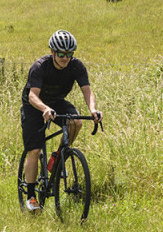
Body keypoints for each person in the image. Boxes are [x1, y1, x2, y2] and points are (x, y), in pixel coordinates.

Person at [21, 30, 102, 212]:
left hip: (57, 102)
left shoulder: (76, 66)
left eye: (69, 54)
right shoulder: (40, 66)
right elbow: (33, 95)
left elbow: (87, 91)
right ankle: (31, 196)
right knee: (34, 149)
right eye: (61, 54)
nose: (65, 58)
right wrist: (45, 109)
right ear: (52, 52)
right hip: (34, 105)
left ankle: (57, 157)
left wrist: (93, 109)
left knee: (76, 123)